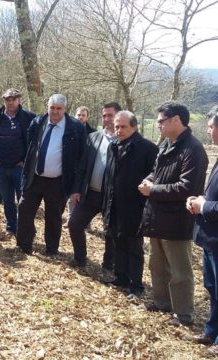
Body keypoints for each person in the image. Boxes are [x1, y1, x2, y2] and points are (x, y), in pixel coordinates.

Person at [139, 101, 208, 327]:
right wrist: (149, 179)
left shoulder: (193, 150)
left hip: (177, 219)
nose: (158, 125)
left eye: (161, 121)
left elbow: (187, 187)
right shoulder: (168, 145)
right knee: (157, 264)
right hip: (157, 215)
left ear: (176, 120)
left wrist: (153, 190)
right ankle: (162, 302)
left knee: (180, 271)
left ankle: (184, 314)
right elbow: (156, 171)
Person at [16, 94, 85, 255]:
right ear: (48, 107)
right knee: (24, 209)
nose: (54, 111)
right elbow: (30, 147)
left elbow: (81, 157)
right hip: (34, 178)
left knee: (53, 217)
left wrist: (76, 186)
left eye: (58, 108)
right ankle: (23, 246)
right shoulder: (38, 122)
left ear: (65, 109)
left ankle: (51, 249)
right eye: (52, 107)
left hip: (58, 181)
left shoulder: (75, 127)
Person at [102, 111, 157, 298]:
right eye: (116, 126)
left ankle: (136, 284)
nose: (119, 130)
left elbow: (153, 176)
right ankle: (121, 276)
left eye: (123, 126)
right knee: (118, 240)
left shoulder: (147, 148)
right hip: (115, 203)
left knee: (134, 245)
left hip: (136, 205)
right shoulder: (114, 146)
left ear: (134, 126)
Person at [68, 102, 121, 269]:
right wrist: (76, 190)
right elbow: (82, 166)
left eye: (110, 115)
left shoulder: (125, 140)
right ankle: (80, 258)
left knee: (110, 233)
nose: (106, 118)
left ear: (119, 116)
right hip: (90, 193)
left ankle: (108, 265)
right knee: (74, 224)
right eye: (104, 115)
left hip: (112, 197)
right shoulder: (93, 137)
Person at [186, 106, 218, 354]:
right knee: (212, 287)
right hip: (210, 238)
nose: (209, 131)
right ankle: (212, 331)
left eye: (211, 126)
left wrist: (204, 205)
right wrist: (201, 199)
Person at [0, 89, 35, 236]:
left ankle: (27, 229)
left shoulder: (28, 117)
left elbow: (35, 142)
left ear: (19, 100)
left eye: (14, 99)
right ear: (4, 101)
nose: (10, 102)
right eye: (7, 99)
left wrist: (25, 160)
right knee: (7, 200)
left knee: (24, 201)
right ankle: (11, 227)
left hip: (20, 168)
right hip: (0, 167)